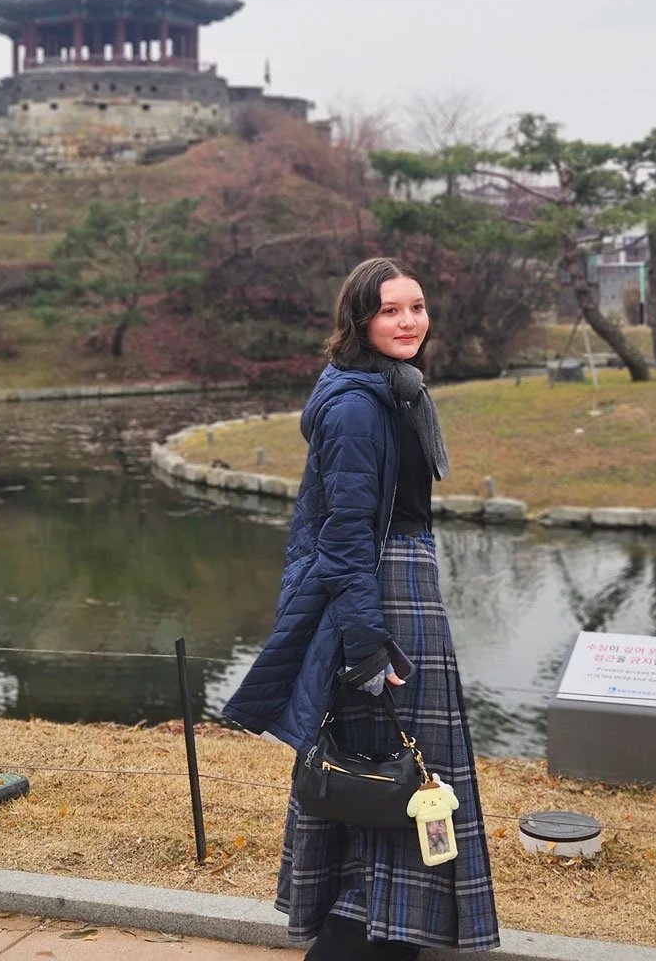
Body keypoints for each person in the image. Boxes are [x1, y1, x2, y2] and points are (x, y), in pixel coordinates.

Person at [224, 258, 498, 958]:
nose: (409, 321)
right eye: (390, 310)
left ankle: (395, 926)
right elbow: (344, 539)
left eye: (417, 306)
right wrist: (367, 645)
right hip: (381, 597)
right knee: (392, 772)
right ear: (360, 320)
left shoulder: (397, 390)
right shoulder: (355, 405)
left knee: (400, 771)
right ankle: (371, 929)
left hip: (407, 589)